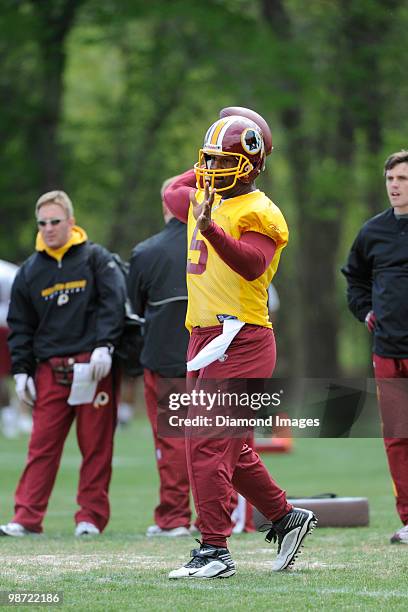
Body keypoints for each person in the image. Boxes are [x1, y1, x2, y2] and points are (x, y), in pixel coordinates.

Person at [163, 109, 317, 578]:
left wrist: (210, 227)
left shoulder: (260, 211)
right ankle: (287, 518)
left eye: (220, 161)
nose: (209, 171)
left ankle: (214, 550)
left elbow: (253, 264)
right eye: (205, 161)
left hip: (240, 337)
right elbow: (172, 189)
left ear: (249, 165)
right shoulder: (202, 194)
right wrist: (211, 158)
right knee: (234, 447)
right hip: (204, 337)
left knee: (205, 443)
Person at [0, 190, 126, 537]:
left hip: (93, 367)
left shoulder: (96, 259)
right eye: (42, 223)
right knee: (41, 446)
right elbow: (20, 325)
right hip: (49, 369)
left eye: (55, 222)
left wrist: (105, 345)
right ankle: (26, 518)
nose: (49, 229)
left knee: (96, 448)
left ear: (70, 221)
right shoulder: (29, 271)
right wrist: (22, 369)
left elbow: (112, 304)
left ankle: (90, 518)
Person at [342, 150, 408, 544]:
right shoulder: (372, 232)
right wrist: (364, 311)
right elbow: (354, 280)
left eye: (402, 179)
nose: (395, 186)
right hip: (387, 350)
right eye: (391, 180)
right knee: (398, 437)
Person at [128, 178, 192, 537]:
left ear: (166, 205)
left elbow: (135, 310)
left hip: (163, 358)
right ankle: (223, 518)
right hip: (214, 357)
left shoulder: (145, 252)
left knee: (171, 444)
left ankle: (173, 518)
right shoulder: (217, 244)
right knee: (218, 441)